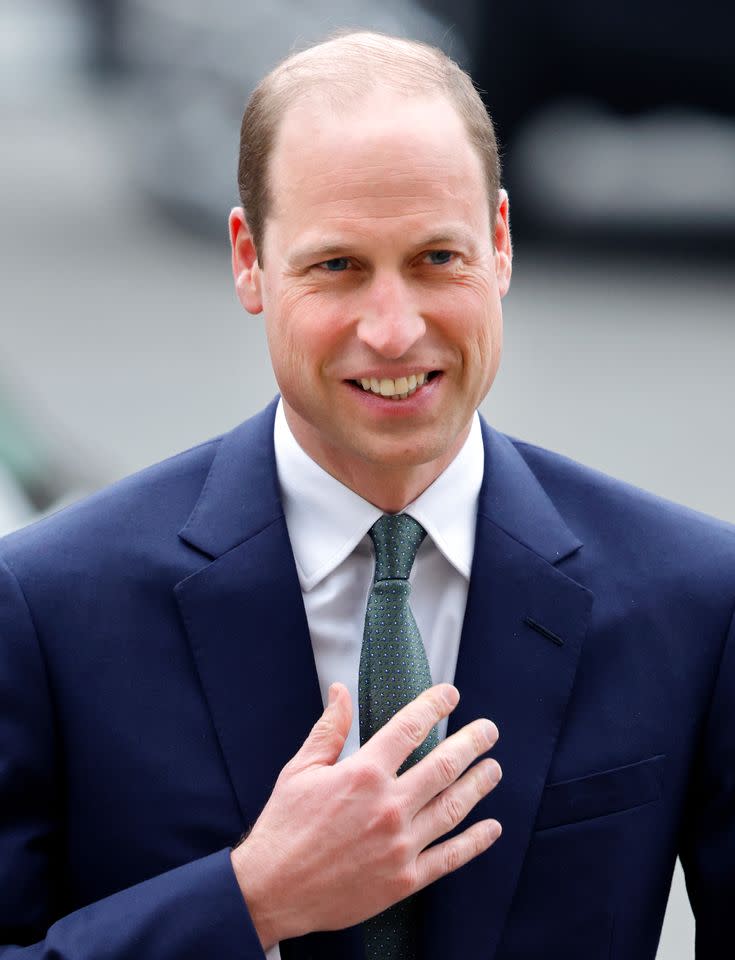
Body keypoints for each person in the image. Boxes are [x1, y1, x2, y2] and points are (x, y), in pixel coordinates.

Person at [0, 30, 734, 960]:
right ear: (249, 262)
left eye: (436, 258)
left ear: (499, 245)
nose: (393, 330)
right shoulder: (47, 604)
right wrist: (250, 900)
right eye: (337, 265)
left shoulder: (697, 597)